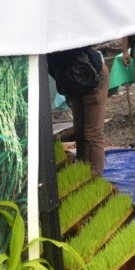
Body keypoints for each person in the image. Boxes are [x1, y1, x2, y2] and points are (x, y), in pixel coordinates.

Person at [47, 47, 110, 175]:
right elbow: (56, 72)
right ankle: (82, 169)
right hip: (73, 83)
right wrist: (68, 94)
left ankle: (96, 175)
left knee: (92, 132)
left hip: (93, 77)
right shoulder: (48, 50)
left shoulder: (70, 40)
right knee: (79, 131)